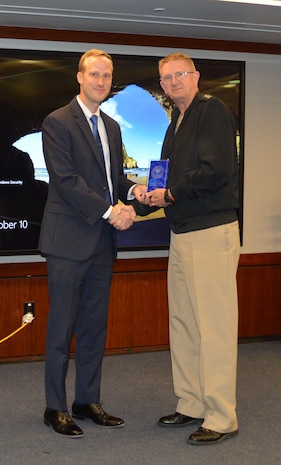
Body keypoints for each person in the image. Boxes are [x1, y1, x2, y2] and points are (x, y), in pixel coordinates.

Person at [39, 48, 144, 437]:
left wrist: (134, 194)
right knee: (61, 328)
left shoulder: (112, 128)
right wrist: (110, 212)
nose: (102, 82)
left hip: (101, 243)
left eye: (107, 76)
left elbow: (112, 181)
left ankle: (86, 401)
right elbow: (66, 181)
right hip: (67, 242)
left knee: (94, 327)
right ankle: (55, 407)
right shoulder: (57, 122)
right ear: (80, 78)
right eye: (95, 75)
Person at [142, 52, 240, 445]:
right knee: (183, 323)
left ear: (195, 76)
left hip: (211, 232)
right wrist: (148, 195)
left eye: (180, 74)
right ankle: (192, 403)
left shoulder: (211, 111)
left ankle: (221, 416)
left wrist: (171, 193)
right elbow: (163, 171)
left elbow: (217, 170)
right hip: (182, 232)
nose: (173, 82)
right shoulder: (176, 121)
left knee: (213, 328)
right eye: (166, 78)